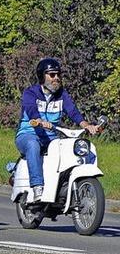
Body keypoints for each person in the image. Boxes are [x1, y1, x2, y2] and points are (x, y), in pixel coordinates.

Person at [15, 58, 99, 201]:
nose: (57, 78)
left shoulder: (61, 95)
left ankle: (71, 185)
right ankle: (37, 187)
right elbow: (30, 108)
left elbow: (72, 111)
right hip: (28, 134)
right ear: (42, 76)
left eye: (58, 75)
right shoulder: (31, 93)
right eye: (52, 75)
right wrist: (40, 120)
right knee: (32, 145)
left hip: (50, 136)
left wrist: (86, 125)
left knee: (73, 148)